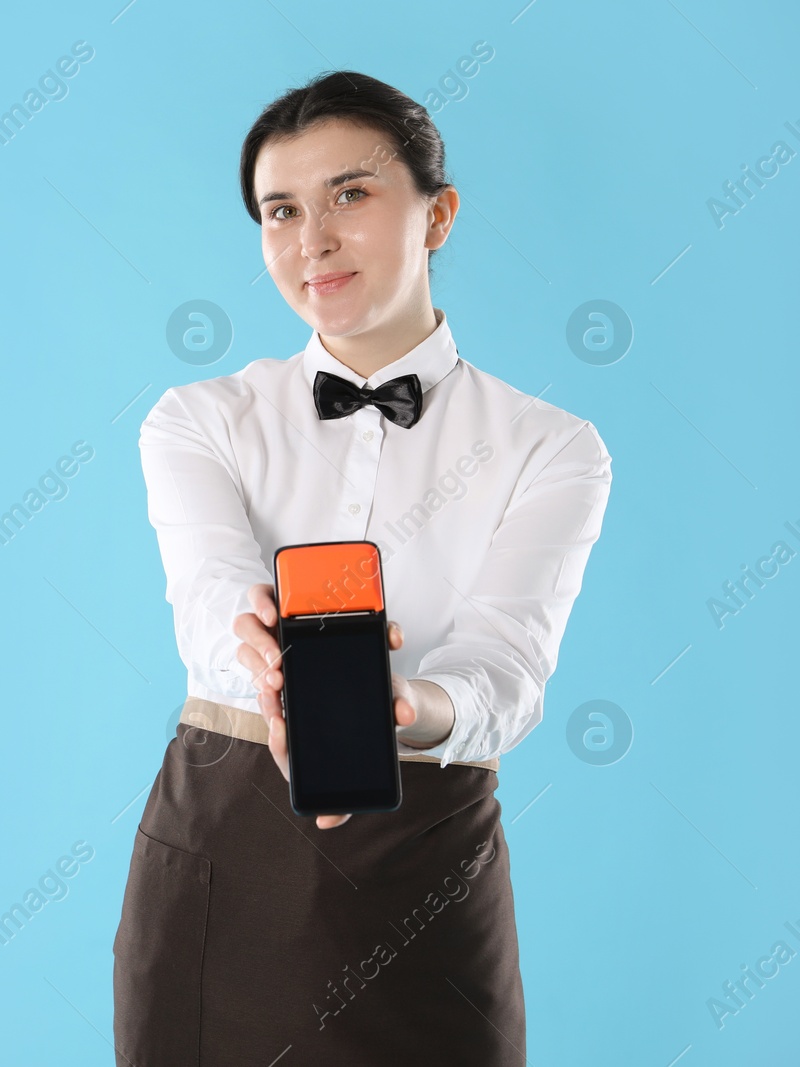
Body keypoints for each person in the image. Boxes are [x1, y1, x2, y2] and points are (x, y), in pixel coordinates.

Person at [112, 70, 613, 1064]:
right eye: (280, 211)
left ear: (438, 213)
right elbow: (209, 594)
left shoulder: (550, 445)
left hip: (426, 851)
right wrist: (263, 652)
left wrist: (400, 707)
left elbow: (506, 666)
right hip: (221, 840)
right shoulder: (199, 419)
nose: (313, 240)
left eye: (351, 194)